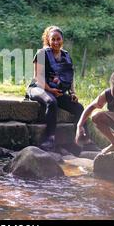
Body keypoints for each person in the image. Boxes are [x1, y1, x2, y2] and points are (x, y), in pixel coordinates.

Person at [27, 26, 97, 154]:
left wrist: (72, 93)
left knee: (79, 108)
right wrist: (50, 90)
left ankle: (83, 140)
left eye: (58, 39)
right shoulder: (42, 53)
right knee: (51, 102)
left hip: (56, 91)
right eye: (53, 39)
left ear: (62, 40)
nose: (56, 42)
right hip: (38, 88)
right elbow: (38, 77)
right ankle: (49, 139)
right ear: (48, 40)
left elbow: (69, 76)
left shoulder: (66, 55)